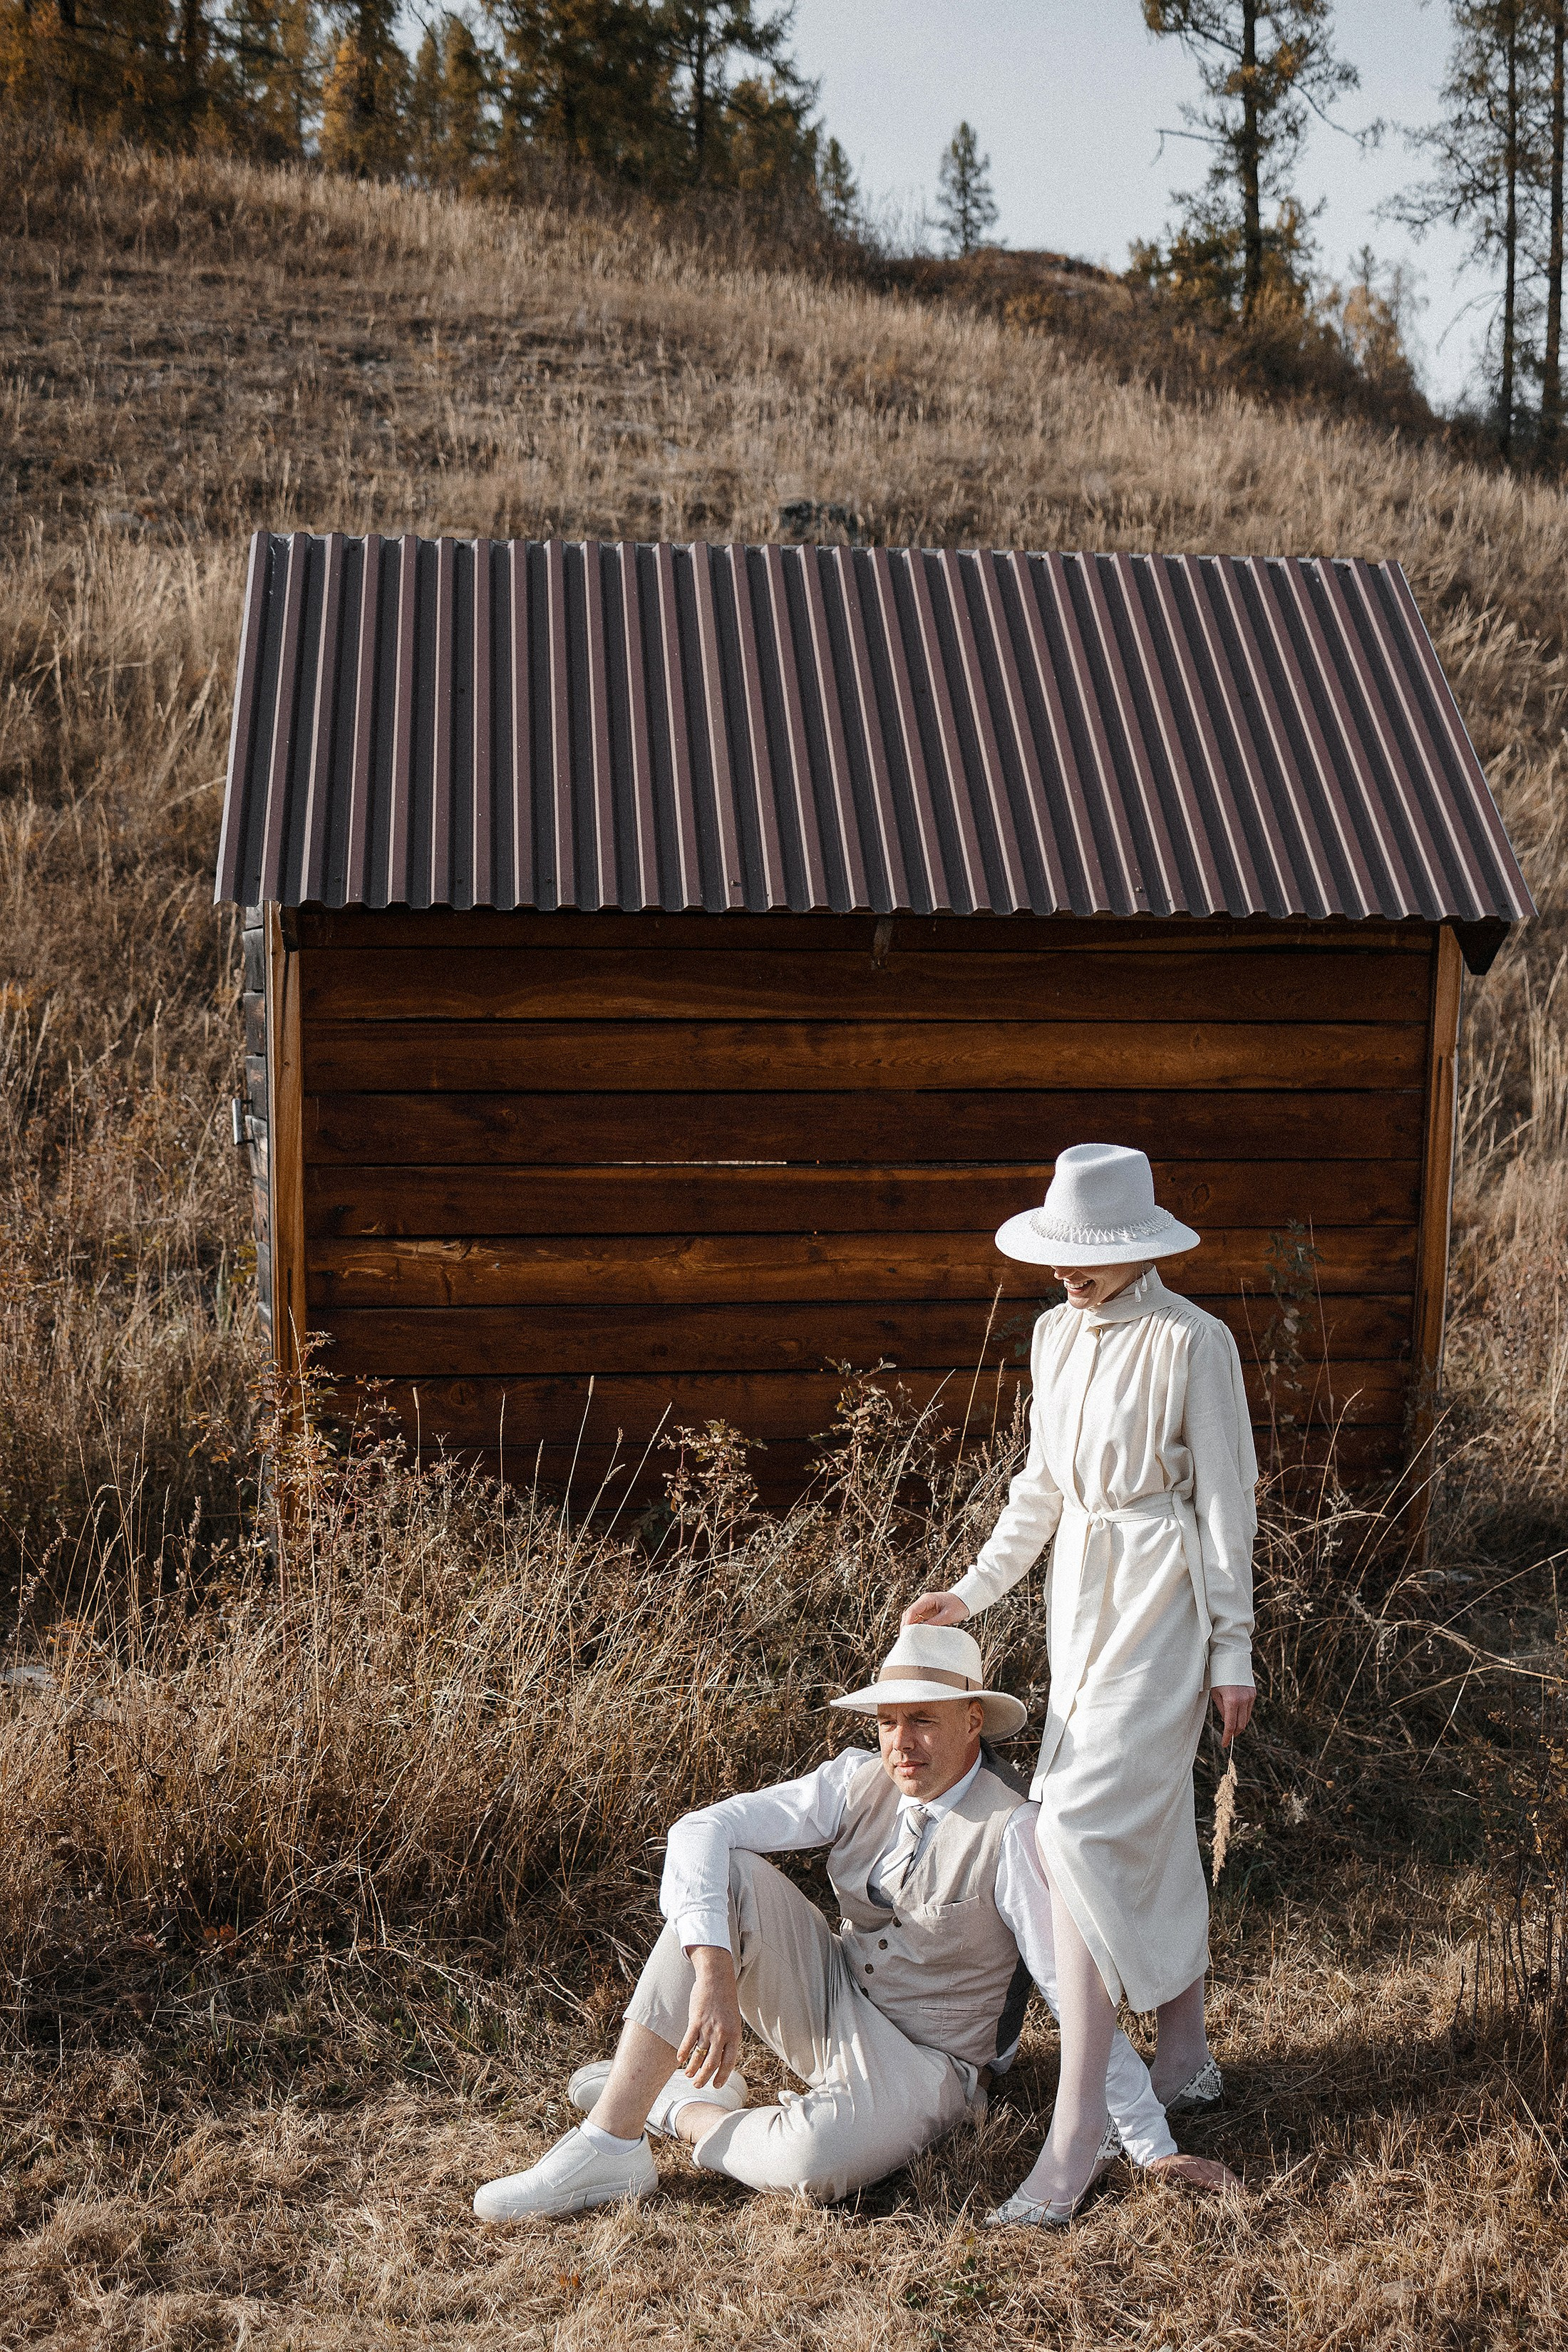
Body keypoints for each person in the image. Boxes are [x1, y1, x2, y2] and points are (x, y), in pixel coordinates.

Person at [472, 1621, 1232, 2220]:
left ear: (974, 1721)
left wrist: (1150, 2145)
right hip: (834, 1999)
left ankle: (679, 2108)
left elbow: (1077, 1999)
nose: (902, 1744)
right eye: (889, 1722)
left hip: (930, 2061)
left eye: (924, 1722)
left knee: (809, 2167)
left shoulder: (1018, 1832)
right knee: (724, 1870)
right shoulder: (855, 1780)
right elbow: (699, 1830)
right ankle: (610, 2142)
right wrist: (713, 1971)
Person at [904, 1143, 1257, 2229]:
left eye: (1084, 1260)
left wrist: (1233, 1648)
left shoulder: (1194, 1340)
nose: (1065, 1277)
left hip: (1162, 1606)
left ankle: (1078, 2133)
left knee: (1073, 1828)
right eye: (1059, 1259)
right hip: (1077, 1602)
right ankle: (1184, 2053)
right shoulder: (1053, 1337)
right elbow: (1039, 1491)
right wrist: (969, 1594)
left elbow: (1226, 1505)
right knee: (1142, 1824)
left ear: (1136, 1248)